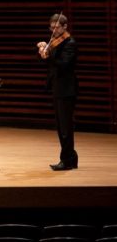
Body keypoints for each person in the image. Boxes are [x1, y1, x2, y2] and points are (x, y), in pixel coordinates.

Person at [37, 13, 78, 170]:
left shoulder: (70, 43)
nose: (53, 31)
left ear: (65, 26)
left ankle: (66, 161)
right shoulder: (55, 42)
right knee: (61, 127)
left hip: (66, 89)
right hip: (58, 88)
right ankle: (72, 158)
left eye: (56, 28)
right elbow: (51, 62)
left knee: (66, 128)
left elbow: (63, 64)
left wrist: (47, 55)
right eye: (51, 28)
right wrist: (43, 50)